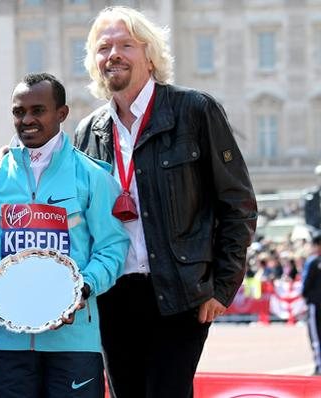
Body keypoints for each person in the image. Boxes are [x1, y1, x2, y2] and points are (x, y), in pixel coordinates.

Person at [74, 6, 258, 397]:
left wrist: (222, 287)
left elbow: (237, 203)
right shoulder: (88, 130)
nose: (114, 55)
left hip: (178, 292)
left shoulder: (195, 110)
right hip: (112, 294)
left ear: (151, 54)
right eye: (103, 48)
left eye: (126, 45)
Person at [0, 72, 129, 398]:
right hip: (8, 339)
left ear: (61, 113)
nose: (26, 120)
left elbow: (113, 248)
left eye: (37, 110)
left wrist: (81, 288)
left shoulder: (92, 176)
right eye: (18, 112)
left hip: (74, 340)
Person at [302, 233, 321, 375]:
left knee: (316, 336)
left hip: (316, 303)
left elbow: (307, 284)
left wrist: (306, 298)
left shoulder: (314, 262)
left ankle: (319, 366)